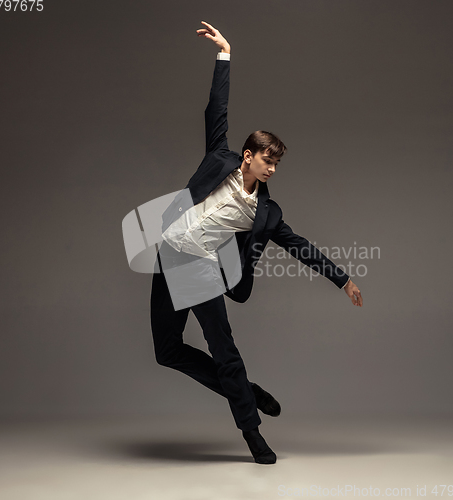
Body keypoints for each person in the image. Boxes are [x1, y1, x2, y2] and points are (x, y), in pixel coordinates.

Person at [150, 21, 363, 465]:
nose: (272, 170)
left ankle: (253, 434)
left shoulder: (266, 212)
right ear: (249, 155)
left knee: (224, 352)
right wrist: (224, 54)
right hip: (169, 256)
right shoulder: (220, 160)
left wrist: (342, 280)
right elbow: (217, 110)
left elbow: (301, 246)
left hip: (201, 269)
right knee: (166, 352)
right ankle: (248, 392)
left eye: (277, 165)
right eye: (268, 160)